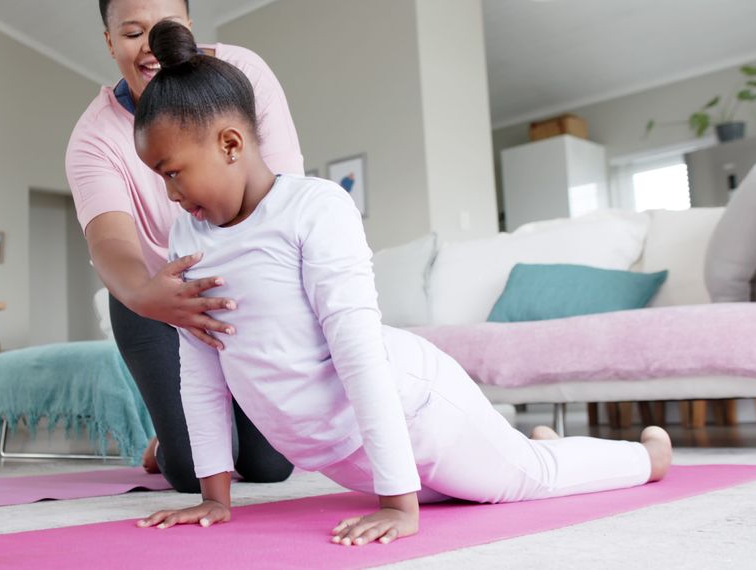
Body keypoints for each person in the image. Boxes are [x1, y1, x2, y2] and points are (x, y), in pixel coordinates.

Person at [132, 20, 674, 546]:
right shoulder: (188, 235)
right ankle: (520, 445)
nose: (170, 194)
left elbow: (359, 353)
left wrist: (398, 502)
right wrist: (214, 497)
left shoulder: (314, 208)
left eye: (172, 171)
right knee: (475, 483)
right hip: (351, 455)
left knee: (528, 480)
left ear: (230, 144)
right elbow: (201, 368)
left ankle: (647, 457)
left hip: (417, 412)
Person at [65, 0, 300, 492]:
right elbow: (110, 239)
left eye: (164, 27)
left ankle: (226, 407)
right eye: (131, 33)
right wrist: (147, 294)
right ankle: (168, 440)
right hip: (155, 298)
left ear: (189, 26)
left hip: (244, 282)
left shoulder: (244, 76)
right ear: (109, 42)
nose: (150, 46)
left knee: (271, 466)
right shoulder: (93, 139)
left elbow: (282, 195)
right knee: (195, 472)